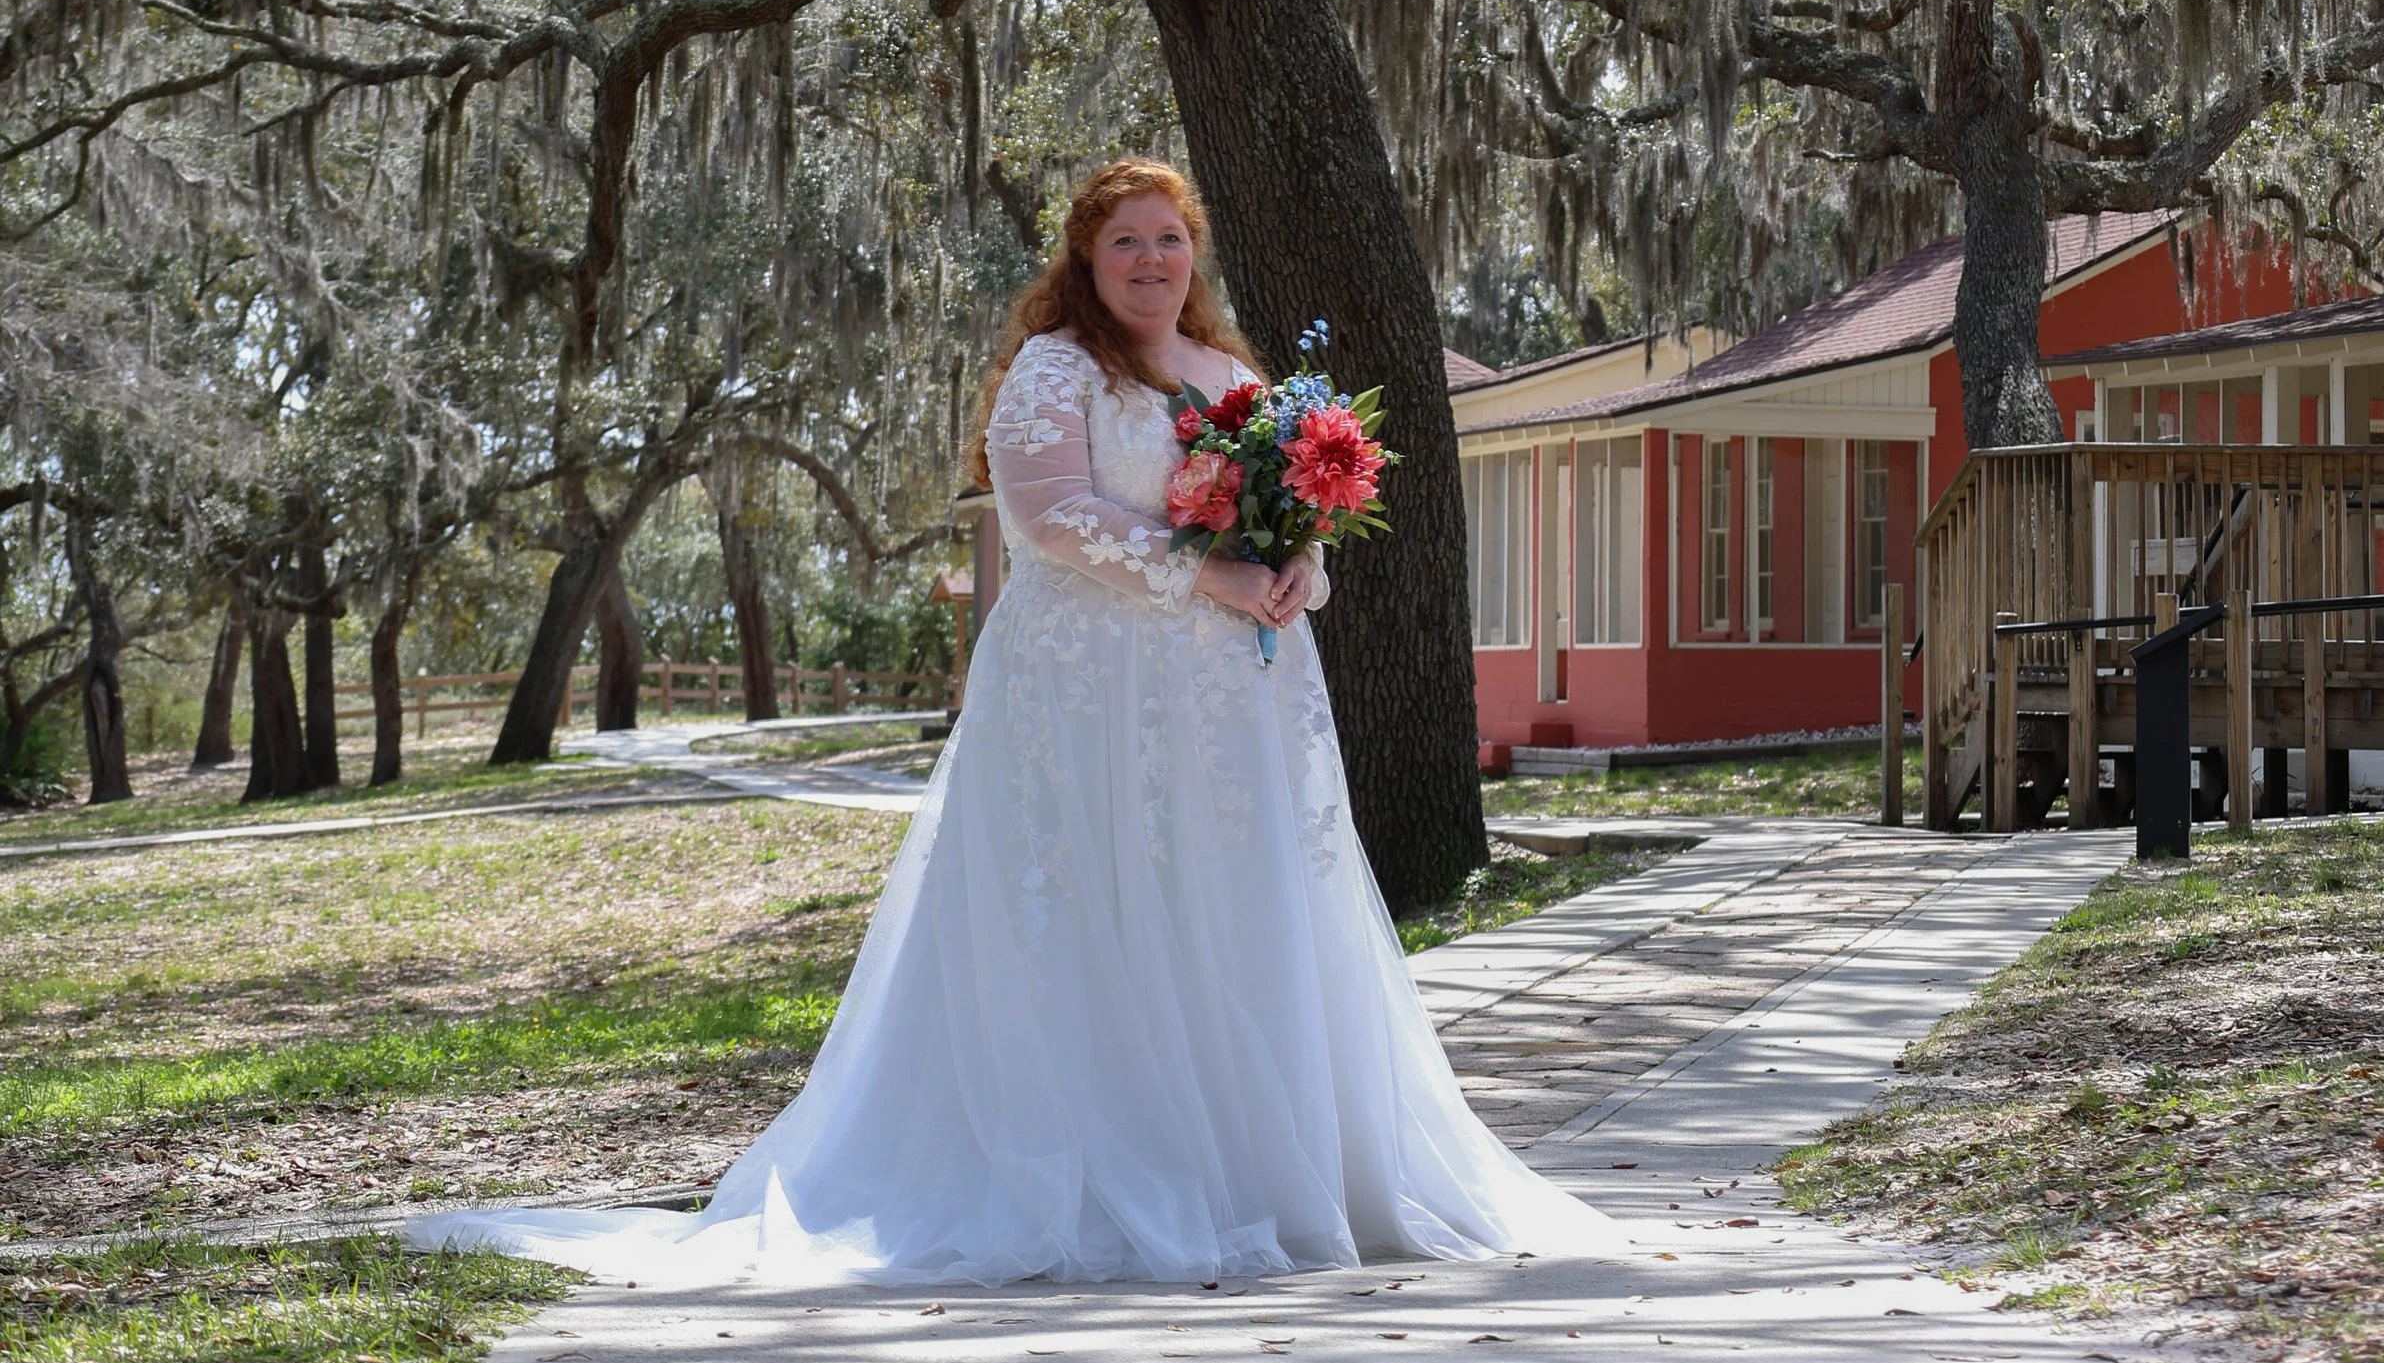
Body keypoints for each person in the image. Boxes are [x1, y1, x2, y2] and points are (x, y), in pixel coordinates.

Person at [416, 156, 1613, 1287]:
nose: (1150, 261)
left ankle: (1273, 1175)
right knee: (1103, 905)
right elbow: (1049, 515)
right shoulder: (1058, 369)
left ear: (1194, 254)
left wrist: (1302, 571)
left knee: (1229, 907)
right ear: (1086, 260)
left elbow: (1294, 518)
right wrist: (1208, 575)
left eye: (1170, 240)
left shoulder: (1230, 377)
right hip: (1092, 697)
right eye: (1125, 242)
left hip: (1231, 704)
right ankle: (1114, 1175)